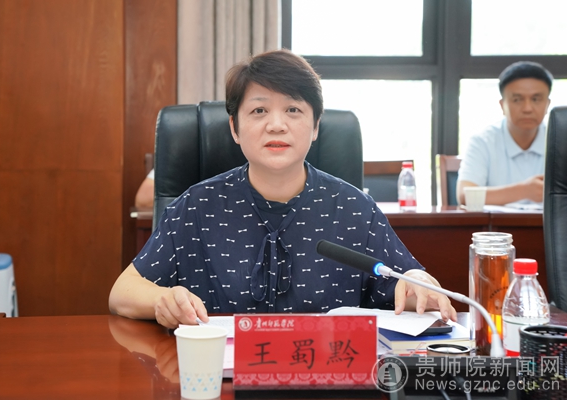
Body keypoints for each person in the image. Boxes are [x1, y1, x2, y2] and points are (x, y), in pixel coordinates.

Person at [109, 49, 456, 329]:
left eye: (293, 109)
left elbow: (406, 287)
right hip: (220, 376)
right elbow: (122, 293)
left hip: (328, 375)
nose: (276, 125)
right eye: (259, 110)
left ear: (316, 126)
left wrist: (417, 283)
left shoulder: (354, 208)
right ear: (234, 128)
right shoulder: (197, 206)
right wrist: (162, 300)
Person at [457, 61, 553, 206]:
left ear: (547, 104)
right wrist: (524, 191)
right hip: (497, 222)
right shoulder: (483, 142)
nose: (527, 108)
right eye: (517, 99)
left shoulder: (560, 142)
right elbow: (465, 196)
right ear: (502, 105)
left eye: (536, 99)